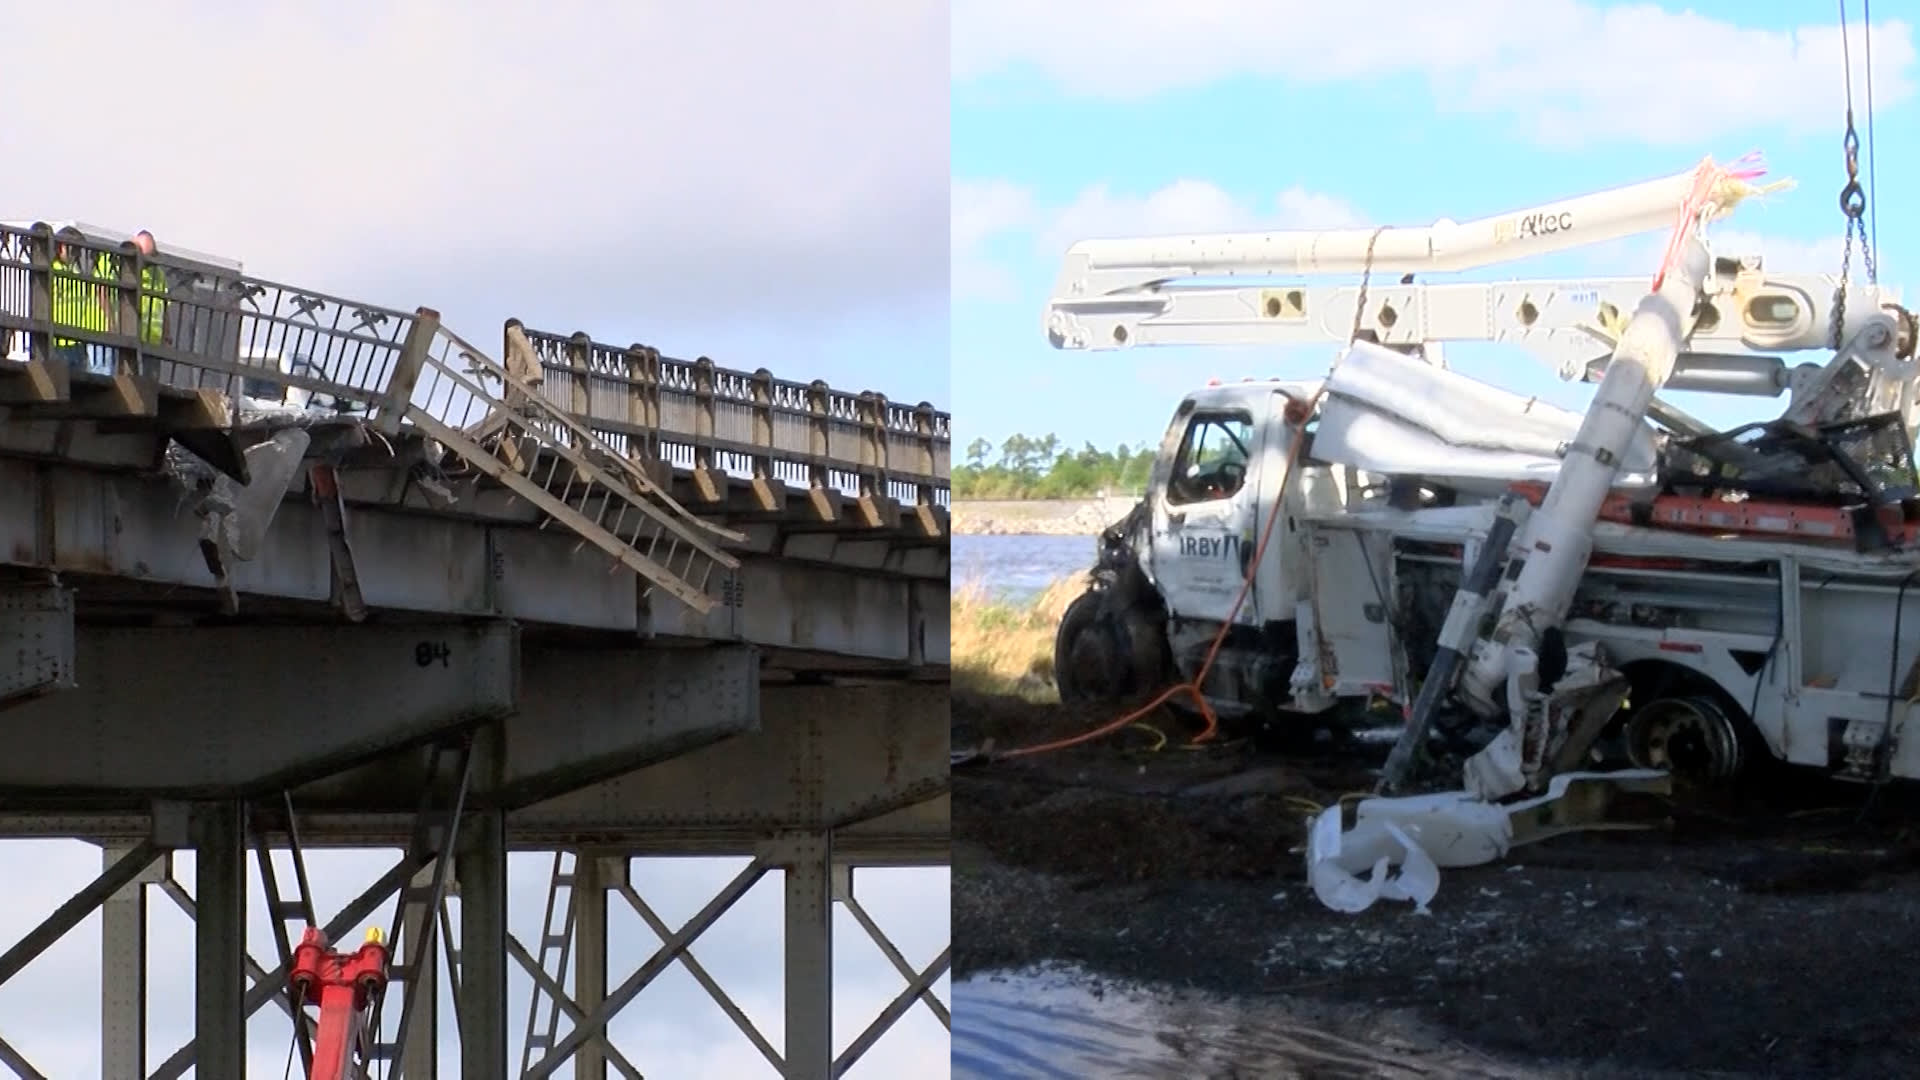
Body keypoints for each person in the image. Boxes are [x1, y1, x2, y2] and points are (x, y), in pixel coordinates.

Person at [50, 227, 108, 374]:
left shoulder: (77, 270)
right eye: (73, 249)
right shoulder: (52, 270)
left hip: (77, 339)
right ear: (61, 247)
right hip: (59, 340)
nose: (76, 254)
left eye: (77, 250)